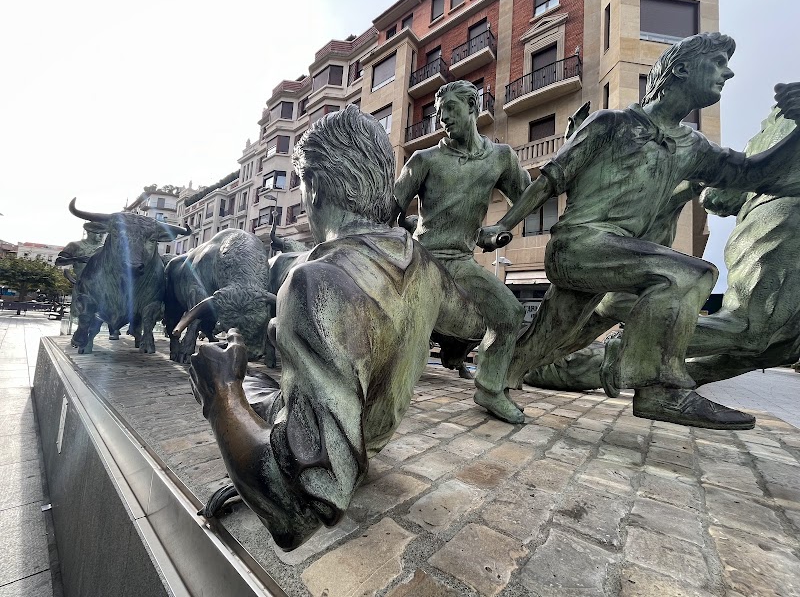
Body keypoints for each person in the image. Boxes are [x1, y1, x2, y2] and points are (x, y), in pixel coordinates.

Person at [188, 106, 486, 551]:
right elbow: (472, 324)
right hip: (372, 435)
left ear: (316, 186)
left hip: (338, 451)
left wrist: (221, 394)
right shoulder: (423, 263)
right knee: (260, 380)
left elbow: (299, 509)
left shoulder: (314, 281)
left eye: (302, 187)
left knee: (238, 379)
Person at [477, 33, 800, 429]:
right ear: (681, 69)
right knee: (690, 274)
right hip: (577, 245)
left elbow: (753, 174)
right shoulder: (611, 123)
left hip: (612, 254)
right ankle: (658, 387)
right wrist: (503, 224)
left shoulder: (693, 147)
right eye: (718, 63)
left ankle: (491, 382)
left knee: (548, 339)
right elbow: (549, 181)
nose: (728, 73)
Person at [395, 80, 531, 424]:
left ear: (473, 107)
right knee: (407, 330)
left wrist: (501, 228)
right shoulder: (423, 160)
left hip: (460, 262)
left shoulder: (500, 158)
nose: (442, 118)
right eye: (439, 113)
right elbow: (388, 210)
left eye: (450, 109)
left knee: (510, 313)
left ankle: (490, 388)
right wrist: (404, 227)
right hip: (422, 260)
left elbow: (528, 197)